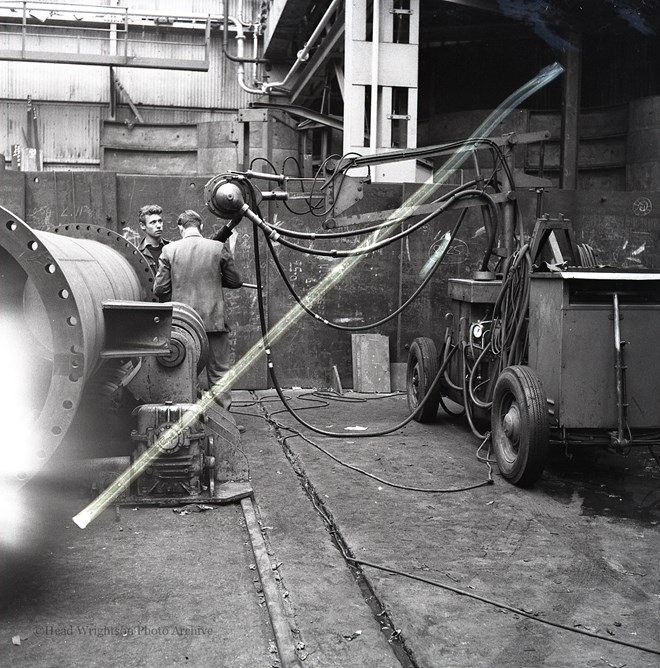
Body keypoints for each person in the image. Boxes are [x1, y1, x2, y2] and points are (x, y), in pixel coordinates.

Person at [153, 210, 244, 423]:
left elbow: (160, 289)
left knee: (183, 371)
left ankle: (184, 421)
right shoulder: (218, 248)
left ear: (180, 228)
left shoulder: (169, 250)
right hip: (213, 322)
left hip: (183, 326)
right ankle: (224, 422)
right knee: (219, 372)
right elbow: (235, 281)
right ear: (200, 226)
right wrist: (213, 277)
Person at [138, 204, 170, 274]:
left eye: (160, 221)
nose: (158, 226)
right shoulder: (138, 254)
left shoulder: (172, 248)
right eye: (153, 222)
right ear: (142, 226)